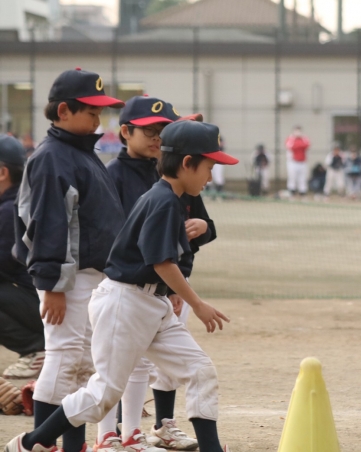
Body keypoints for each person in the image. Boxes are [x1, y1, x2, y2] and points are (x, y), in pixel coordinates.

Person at [5, 120, 238, 452]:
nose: (211, 177)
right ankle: (31, 443)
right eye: (209, 167)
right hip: (125, 303)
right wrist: (197, 305)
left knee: (200, 371)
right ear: (187, 163)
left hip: (150, 303)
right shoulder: (162, 200)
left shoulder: (172, 198)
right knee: (103, 394)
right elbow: (162, 263)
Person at [13, 67, 126, 452]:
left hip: (88, 276)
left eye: (100, 112)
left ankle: (71, 446)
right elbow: (48, 224)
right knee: (64, 361)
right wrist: (52, 286)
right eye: (91, 112)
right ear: (63, 110)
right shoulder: (53, 157)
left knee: (81, 367)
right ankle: (40, 444)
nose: (98, 120)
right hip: (69, 278)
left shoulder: (79, 153)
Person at [106, 96, 214, 451]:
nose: (157, 137)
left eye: (163, 130)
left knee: (171, 363)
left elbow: (201, 225)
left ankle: (161, 425)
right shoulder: (115, 175)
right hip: (135, 283)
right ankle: (115, 432)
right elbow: (122, 238)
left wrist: (204, 227)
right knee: (123, 366)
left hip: (171, 281)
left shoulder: (178, 176)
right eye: (149, 130)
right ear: (126, 132)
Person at [0, 134, 45, 380]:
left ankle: (34, 349)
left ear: (2, 172)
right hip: (37, 299)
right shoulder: (16, 201)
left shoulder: (10, 209)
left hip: (41, 302)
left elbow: (4, 264)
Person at [285, 126, 310, 198]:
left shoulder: (304, 138)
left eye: (299, 131)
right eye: (296, 131)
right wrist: (297, 142)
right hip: (293, 161)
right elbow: (291, 146)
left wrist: (299, 142)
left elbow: (307, 145)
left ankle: (302, 191)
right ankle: (292, 190)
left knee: (302, 177)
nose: (297, 133)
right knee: (292, 176)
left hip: (302, 161)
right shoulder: (290, 138)